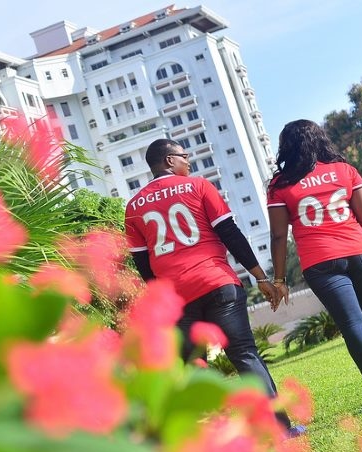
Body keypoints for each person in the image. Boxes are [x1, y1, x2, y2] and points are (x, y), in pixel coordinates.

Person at [125, 138, 302, 436]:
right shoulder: (199, 186)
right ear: (169, 160)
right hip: (218, 284)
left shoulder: (133, 207)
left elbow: (143, 265)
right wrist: (260, 277)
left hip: (177, 298)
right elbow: (229, 233)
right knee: (244, 354)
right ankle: (280, 430)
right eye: (184, 156)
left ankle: (202, 443)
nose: (188, 161)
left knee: (193, 368)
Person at [266, 119, 362, 412]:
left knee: (353, 324)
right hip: (360, 252)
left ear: (286, 147)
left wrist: (279, 280)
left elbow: (278, 236)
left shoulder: (280, 185)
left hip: (320, 261)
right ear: (320, 140)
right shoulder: (345, 170)